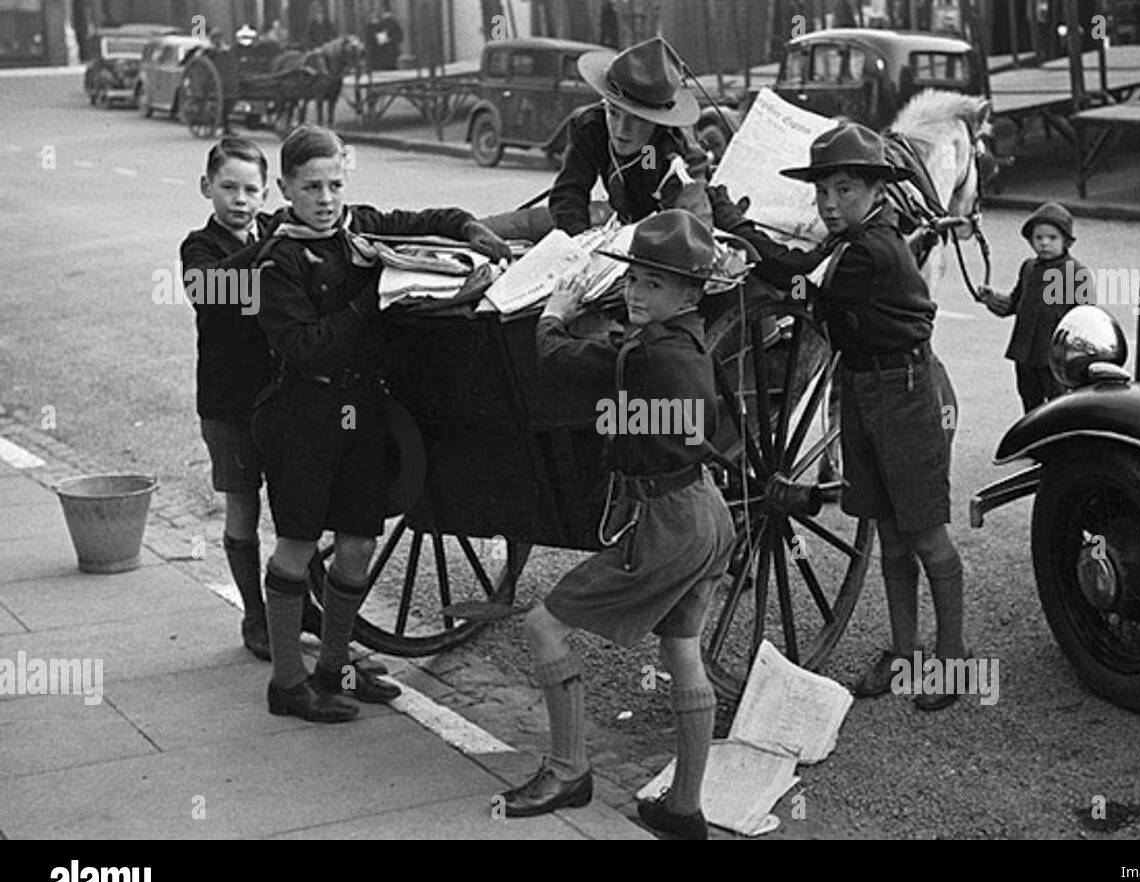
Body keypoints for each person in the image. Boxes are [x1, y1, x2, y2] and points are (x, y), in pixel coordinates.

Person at [251, 125, 510, 722]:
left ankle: (335, 665)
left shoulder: (358, 226)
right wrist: (374, 295)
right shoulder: (278, 261)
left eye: (335, 183)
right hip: (302, 415)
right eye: (311, 186)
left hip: (359, 411)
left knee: (359, 542)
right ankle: (287, 683)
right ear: (286, 187)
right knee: (295, 545)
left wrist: (469, 229)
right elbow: (309, 347)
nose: (326, 197)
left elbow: (430, 218)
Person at [712, 123, 968, 711]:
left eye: (844, 191)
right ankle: (906, 654)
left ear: (877, 190)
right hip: (863, 385)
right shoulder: (851, 238)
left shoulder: (871, 250)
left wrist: (737, 230)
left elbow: (799, 280)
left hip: (906, 391)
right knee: (889, 531)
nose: (830, 204)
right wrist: (744, 232)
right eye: (823, 192)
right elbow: (803, 268)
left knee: (926, 536)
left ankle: (953, 661)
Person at [501, 210, 736, 839]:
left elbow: (557, 358)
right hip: (708, 513)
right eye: (633, 280)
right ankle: (684, 810)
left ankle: (568, 771)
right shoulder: (685, 341)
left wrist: (555, 310)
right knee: (681, 650)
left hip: (667, 523)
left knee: (543, 626)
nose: (635, 293)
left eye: (653, 285)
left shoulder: (646, 356)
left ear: (691, 293)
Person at [181, 137, 313, 660]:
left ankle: (296, 605)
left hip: (280, 398)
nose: (240, 199)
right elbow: (211, 290)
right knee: (242, 505)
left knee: (296, 507)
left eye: (251, 189)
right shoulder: (199, 246)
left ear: (266, 193)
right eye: (228, 187)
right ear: (206, 188)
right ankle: (255, 617)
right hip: (228, 402)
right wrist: (275, 242)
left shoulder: (272, 232)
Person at [548, 37, 711, 236]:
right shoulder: (591, 128)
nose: (621, 129)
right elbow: (570, 193)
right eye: (614, 113)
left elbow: (688, 223)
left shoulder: (668, 150)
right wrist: (578, 242)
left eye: (638, 119)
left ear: (657, 120)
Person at [976, 202, 1091, 414]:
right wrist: (991, 299)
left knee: (1059, 406)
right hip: (1025, 353)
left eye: (1052, 238)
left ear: (1066, 241)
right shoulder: (1028, 267)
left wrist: (1076, 358)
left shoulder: (1076, 272)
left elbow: (1085, 319)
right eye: (1038, 238)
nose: (1044, 243)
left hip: (1054, 358)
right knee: (1029, 401)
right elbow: (1013, 303)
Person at [364, 2, 403, 71]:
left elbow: (383, 41)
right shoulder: (373, 26)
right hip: (381, 58)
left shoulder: (383, 24)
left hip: (384, 58)